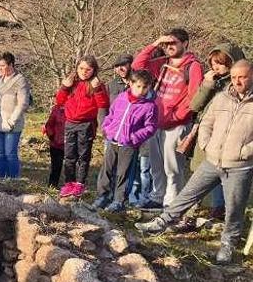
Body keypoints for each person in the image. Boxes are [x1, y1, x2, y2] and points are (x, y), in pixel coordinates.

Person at [135, 60, 253, 265]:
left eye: (241, 77)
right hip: (212, 159)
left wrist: (245, 152)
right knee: (188, 194)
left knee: (234, 207)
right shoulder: (222, 97)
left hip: (239, 166)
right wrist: (206, 144)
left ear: (251, 76)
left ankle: (227, 245)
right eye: (234, 77)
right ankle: (161, 222)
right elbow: (206, 122)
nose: (237, 81)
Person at [131, 28, 204, 210]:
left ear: (185, 43)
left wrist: (177, 116)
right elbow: (138, 66)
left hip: (176, 124)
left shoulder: (193, 66)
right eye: (167, 44)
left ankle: (172, 202)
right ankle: (158, 196)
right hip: (156, 122)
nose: (170, 47)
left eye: (174, 43)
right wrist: (155, 44)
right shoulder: (163, 63)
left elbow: (194, 97)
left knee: (172, 166)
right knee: (156, 164)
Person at [185, 43, 246, 221]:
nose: (215, 67)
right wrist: (207, 86)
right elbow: (195, 106)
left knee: (222, 176)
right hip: (205, 135)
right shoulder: (212, 81)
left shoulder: (239, 84)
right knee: (198, 174)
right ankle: (190, 212)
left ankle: (219, 212)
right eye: (213, 63)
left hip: (227, 139)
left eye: (220, 63)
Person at [93, 70, 158, 212]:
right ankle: (102, 197)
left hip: (129, 145)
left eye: (145, 87)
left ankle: (118, 201)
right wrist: (106, 128)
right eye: (138, 86)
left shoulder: (149, 106)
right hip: (112, 140)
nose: (141, 90)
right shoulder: (122, 97)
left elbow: (150, 128)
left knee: (124, 174)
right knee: (106, 170)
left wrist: (133, 138)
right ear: (131, 83)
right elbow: (111, 114)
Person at [55, 55, 109, 198]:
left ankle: (80, 184)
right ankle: (68, 183)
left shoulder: (96, 84)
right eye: (81, 68)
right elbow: (59, 101)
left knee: (83, 156)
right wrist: (64, 87)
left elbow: (103, 104)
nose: (84, 72)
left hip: (86, 124)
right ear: (77, 68)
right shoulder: (72, 82)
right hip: (70, 123)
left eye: (88, 69)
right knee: (69, 155)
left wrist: (97, 89)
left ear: (94, 70)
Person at [0, 52, 30, 178]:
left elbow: (23, 103)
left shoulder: (20, 80)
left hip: (11, 122)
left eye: (3, 65)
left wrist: (12, 120)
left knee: (10, 152)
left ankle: (13, 178)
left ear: (11, 65)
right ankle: (1, 177)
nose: (0, 68)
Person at [43, 102, 66, 188]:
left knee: (71, 166)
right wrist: (51, 136)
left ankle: (71, 186)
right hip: (56, 143)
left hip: (71, 143)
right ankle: (52, 185)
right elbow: (49, 124)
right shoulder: (57, 109)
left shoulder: (76, 108)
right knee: (56, 166)